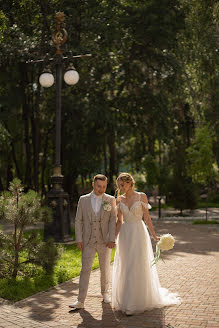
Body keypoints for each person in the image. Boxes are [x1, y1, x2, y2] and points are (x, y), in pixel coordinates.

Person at [112, 173, 180, 315]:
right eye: (119, 185)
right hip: (125, 235)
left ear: (130, 183)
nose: (120, 188)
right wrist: (113, 238)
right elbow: (119, 221)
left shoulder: (141, 196)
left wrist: (154, 235)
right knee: (126, 264)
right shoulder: (119, 200)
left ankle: (135, 302)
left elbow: (147, 219)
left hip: (138, 233)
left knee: (137, 263)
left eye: (122, 185)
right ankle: (127, 300)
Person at [69, 174, 116, 309]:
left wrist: (112, 238)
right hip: (87, 240)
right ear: (93, 185)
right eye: (99, 186)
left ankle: (105, 293)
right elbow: (78, 220)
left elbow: (113, 220)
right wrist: (79, 239)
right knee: (85, 270)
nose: (101, 189)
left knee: (105, 268)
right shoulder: (83, 200)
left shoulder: (110, 199)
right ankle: (80, 301)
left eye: (104, 187)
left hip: (105, 241)